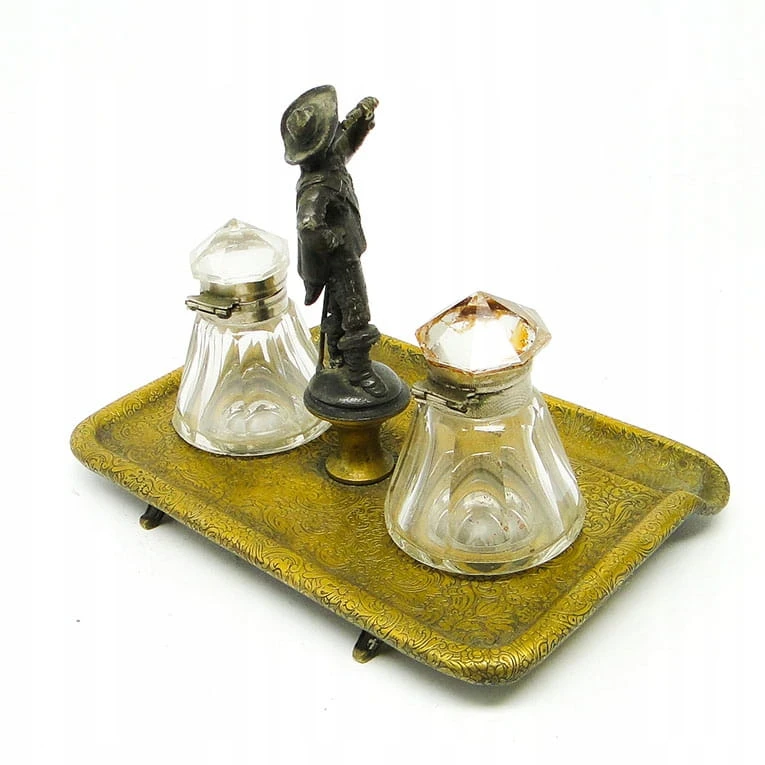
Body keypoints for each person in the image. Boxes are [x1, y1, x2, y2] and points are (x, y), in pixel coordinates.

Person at [281, 85, 386, 397]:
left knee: (338, 310)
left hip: (348, 251)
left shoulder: (329, 161)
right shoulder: (317, 187)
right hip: (341, 260)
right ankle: (359, 372)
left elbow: (346, 144)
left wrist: (362, 121)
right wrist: (334, 240)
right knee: (356, 312)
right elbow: (308, 226)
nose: (336, 134)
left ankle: (337, 357)